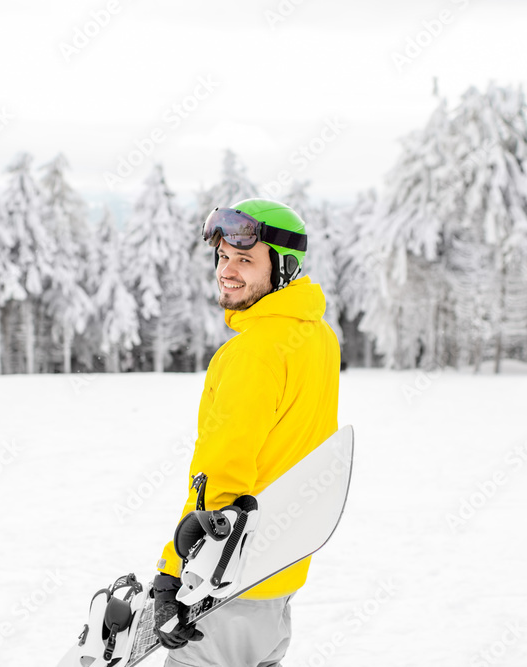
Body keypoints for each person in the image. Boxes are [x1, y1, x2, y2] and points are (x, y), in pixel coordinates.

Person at [153, 198, 340, 667]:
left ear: (283, 268)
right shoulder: (317, 336)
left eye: (245, 259)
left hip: (227, 585)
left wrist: (172, 575)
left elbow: (219, 479)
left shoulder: (252, 353)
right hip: (280, 574)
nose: (226, 270)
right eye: (222, 256)